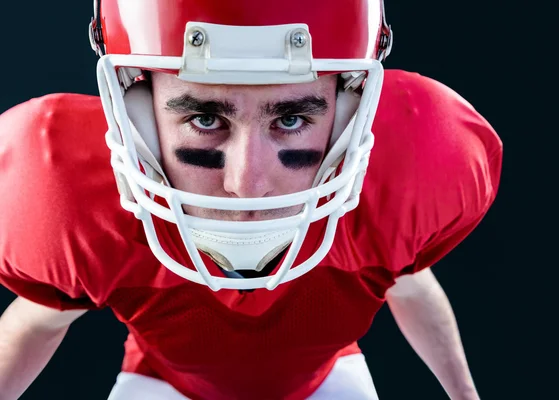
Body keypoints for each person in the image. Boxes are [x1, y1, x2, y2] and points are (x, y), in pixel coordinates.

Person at [0, 0, 502, 399]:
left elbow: (410, 286)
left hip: (326, 379)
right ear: (138, 115)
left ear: (350, 113)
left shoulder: (395, 181)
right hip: (166, 385)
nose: (247, 184)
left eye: (289, 120)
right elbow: (39, 320)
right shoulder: (75, 203)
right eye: (205, 119)